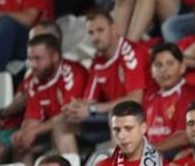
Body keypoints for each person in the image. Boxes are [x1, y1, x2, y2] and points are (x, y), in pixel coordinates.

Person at [53, 11, 148, 156]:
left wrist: (92, 109)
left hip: (142, 114)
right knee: (62, 125)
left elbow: (135, 99)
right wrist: (76, 107)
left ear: (114, 29)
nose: (95, 37)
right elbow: (89, 100)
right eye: (91, 33)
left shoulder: (129, 52)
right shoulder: (98, 61)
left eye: (100, 30)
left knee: (116, 117)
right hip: (111, 115)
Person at [10, 34, 89, 163]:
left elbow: (69, 114)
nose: (33, 65)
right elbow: (33, 117)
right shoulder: (33, 81)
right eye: (30, 59)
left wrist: (34, 131)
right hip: (50, 130)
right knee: (20, 144)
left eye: (38, 59)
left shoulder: (72, 72)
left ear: (55, 57)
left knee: (60, 129)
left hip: (83, 126)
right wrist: (24, 133)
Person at [143, 43, 195, 155]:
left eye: (170, 63)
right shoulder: (150, 97)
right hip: (152, 157)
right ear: (152, 71)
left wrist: (149, 150)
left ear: (182, 67)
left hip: (178, 156)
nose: (164, 70)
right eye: (158, 65)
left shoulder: (189, 95)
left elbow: (185, 136)